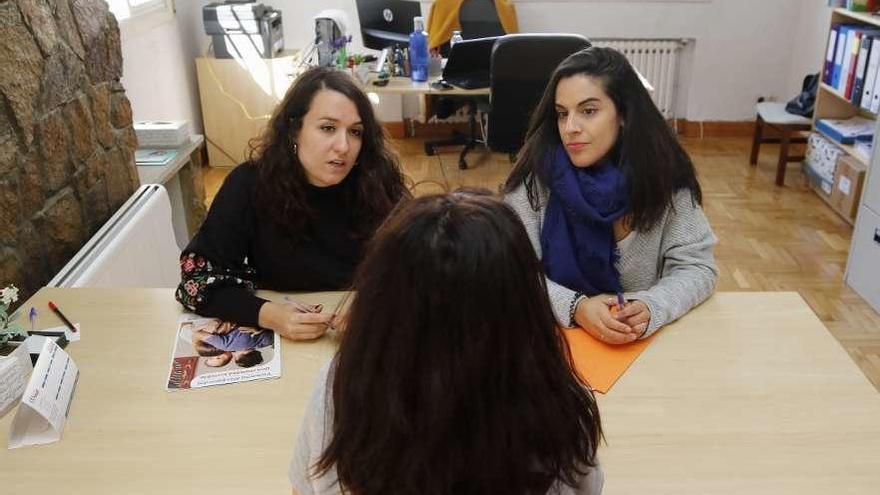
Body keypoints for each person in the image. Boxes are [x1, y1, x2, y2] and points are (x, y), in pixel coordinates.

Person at [289, 190, 604, 495]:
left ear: (379, 305)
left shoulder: (345, 381)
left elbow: (303, 486)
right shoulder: (553, 402)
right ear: (526, 308)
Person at [175, 67, 409, 341]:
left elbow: (425, 265)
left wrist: (377, 305)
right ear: (294, 130)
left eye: (355, 132)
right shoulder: (249, 184)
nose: (344, 147)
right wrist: (270, 315)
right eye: (328, 128)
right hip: (286, 340)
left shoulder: (378, 179)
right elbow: (197, 281)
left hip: (361, 339)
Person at [503, 47, 718, 345]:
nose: (570, 128)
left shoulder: (665, 177)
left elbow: (697, 267)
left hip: (638, 349)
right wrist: (576, 307)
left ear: (625, 115)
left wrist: (651, 306)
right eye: (562, 114)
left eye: (588, 111)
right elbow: (512, 275)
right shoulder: (535, 180)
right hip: (550, 343)